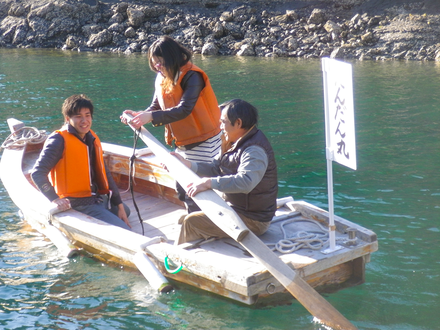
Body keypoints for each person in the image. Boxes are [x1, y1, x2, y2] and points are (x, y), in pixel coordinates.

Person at [121, 36, 222, 214]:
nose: (157, 67)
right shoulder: (163, 76)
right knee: (183, 188)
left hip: (206, 140)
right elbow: (156, 105)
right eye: (154, 63)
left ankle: (206, 221)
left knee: (198, 186)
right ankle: (196, 221)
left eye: (160, 62)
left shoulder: (192, 76)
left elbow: (184, 109)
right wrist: (140, 115)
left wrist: (150, 116)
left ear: (172, 58)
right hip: (184, 142)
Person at [172, 99, 278, 244]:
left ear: (238, 123)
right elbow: (216, 168)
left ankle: (180, 260)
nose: (220, 127)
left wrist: (209, 182)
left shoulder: (254, 150)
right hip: (235, 207)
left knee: (192, 222)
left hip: (254, 219)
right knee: (192, 210)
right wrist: (188, 164)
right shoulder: (232, 142)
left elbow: (246, 182)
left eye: (223, 122)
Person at [31, 94, 131, 231]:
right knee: (125, 230)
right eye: (78, 116)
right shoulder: (58, 140)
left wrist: (118, 203)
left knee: (125, 211)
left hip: (95, 198)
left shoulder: (90, 137)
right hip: (76, 203)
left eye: (87, 115)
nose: (84, 121)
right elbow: (37, 173)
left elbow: (105, 172)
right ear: (68, 119)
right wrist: (54, 198)